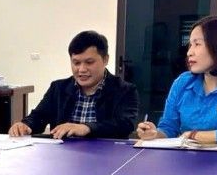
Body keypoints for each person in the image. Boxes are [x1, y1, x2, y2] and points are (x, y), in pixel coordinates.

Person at [137, 16, 217, 146]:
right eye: (190, 45)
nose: (189, 53)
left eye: (197, 44)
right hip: (186, 160)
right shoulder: (183, 82)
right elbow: (169, 128)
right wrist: (155, 134)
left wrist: (193, 135)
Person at [8, 31, 139, 139]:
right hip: (63, 156)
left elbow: (125, 124)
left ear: (105, 59)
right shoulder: (58, 88)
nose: (81, 69)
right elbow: (39, 116)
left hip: (105, 155)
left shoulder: (125, 90)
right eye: (76, 63)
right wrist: (26, 125)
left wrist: (86, 128)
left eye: (89, 62)